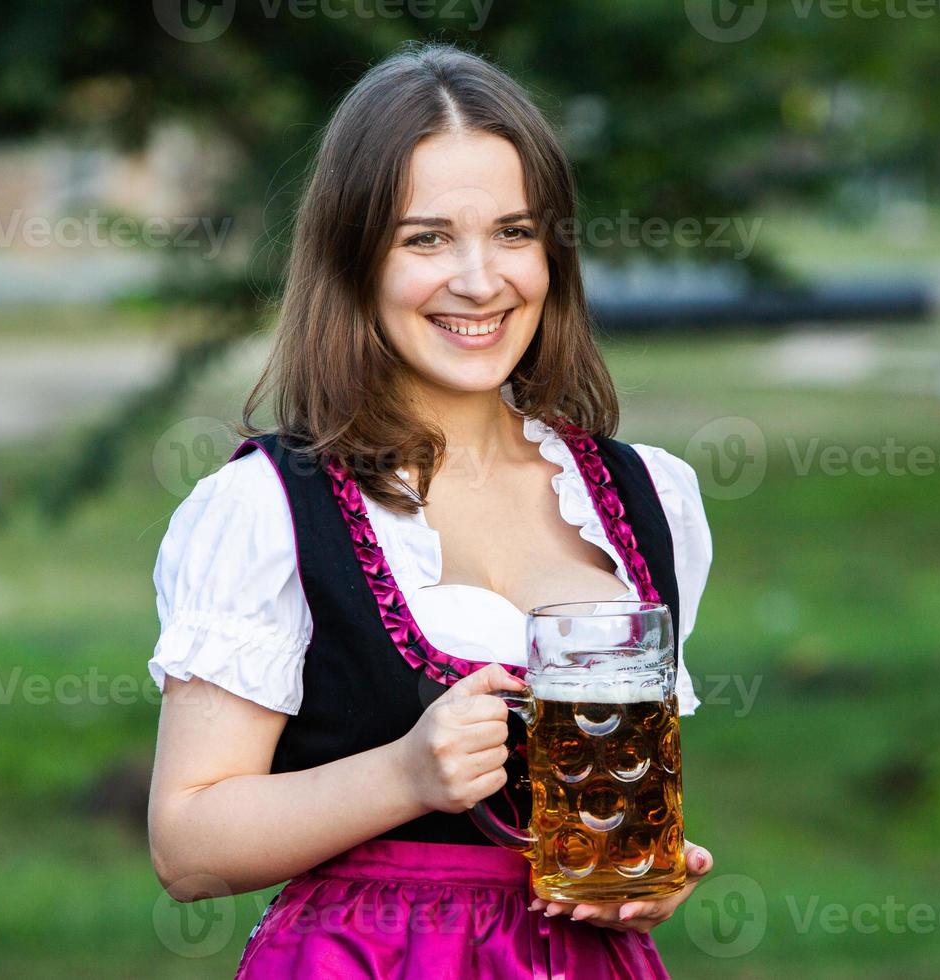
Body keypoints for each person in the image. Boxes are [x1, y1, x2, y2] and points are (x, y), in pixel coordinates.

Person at [146, 40, 716, 979]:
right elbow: (187, 844)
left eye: (515, 232)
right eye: (426, 238)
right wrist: (405, 773)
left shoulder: (650, 498)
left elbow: (623, 813)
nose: (481, 279)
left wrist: (639, 882)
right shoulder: (267, 510)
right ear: (353, 256)